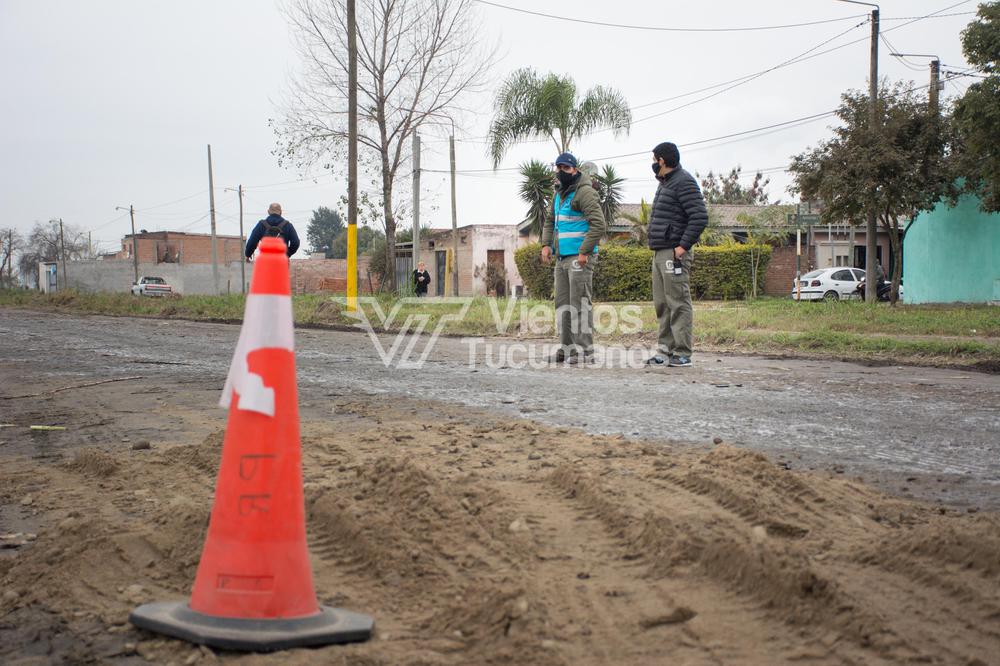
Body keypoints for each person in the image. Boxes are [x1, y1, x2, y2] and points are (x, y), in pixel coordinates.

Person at [540, 152, 607, 364]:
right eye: (558, 168)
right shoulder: (558, 194)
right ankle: (567, 349)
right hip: (561, 259)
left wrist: (584, 251)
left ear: (575, 170)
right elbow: (550, 221)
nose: (562, 172)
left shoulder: (584, 192)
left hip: (580, 258)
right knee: (562, 305)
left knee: (580, 304)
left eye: (566, 168)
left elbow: (599, 224)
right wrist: (546, 245)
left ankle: (586, 351)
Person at [645, 142, 707, 368]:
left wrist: (682, 246)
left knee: (678, 303)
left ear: (662, 160)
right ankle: (664, 350)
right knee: (662, 304)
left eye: (654, 159)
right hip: (660, 252)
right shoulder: (665, 183)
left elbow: (699, 217)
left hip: (674, 254)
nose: (652, 164)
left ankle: (682, 353)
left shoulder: (684, 181)